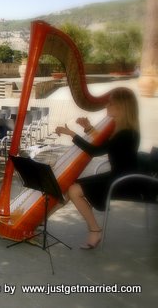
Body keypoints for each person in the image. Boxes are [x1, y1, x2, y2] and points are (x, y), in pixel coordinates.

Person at [55, 87, 140, 250]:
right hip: (116, 175)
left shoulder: (126, 134)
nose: (106, 107)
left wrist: (71, 133)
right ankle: (41, 221)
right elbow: (102, 144)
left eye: (110, 104)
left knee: (74, 190)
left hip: (125, 181)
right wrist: (88, 128)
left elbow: (95, 151)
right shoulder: (120, 129)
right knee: (70, 184)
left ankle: (95, 230)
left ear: (121, 107)